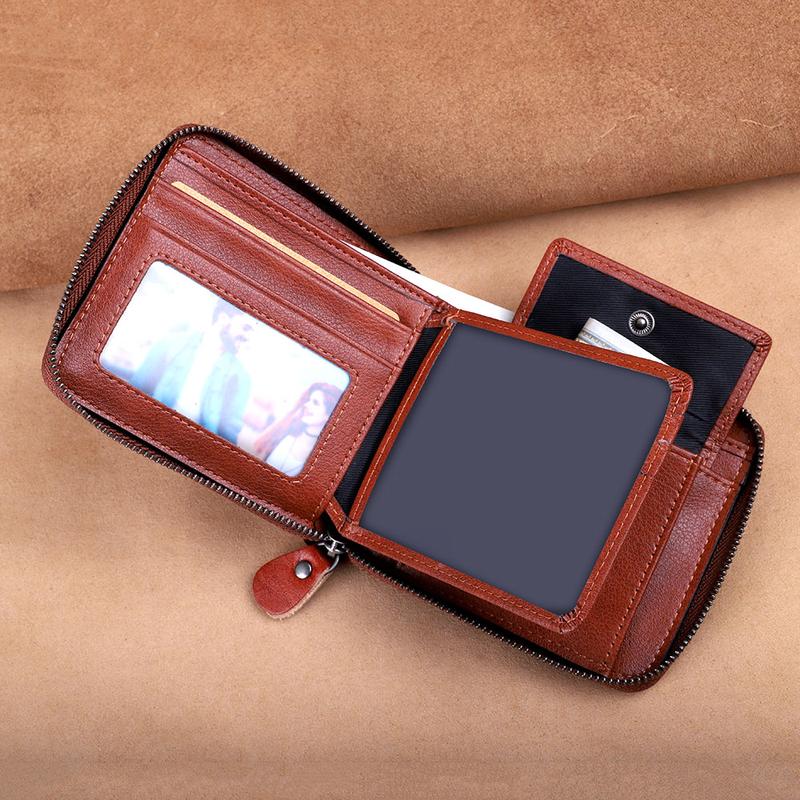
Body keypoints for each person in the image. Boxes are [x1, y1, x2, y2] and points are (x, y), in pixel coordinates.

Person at [130, 298, 254, 445]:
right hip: (149, 431)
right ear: (223, 319)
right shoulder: (171, 343)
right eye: (245, 328)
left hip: (195, 446)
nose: (248, 337)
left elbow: (228, 434)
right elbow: (136, 390)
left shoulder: (241, 377)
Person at [254, 383, 344, 477]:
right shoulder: (286, 435)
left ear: (330, 415)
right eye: (308, 400)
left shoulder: (323, 458)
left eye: (315, 402)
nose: (306, 405)